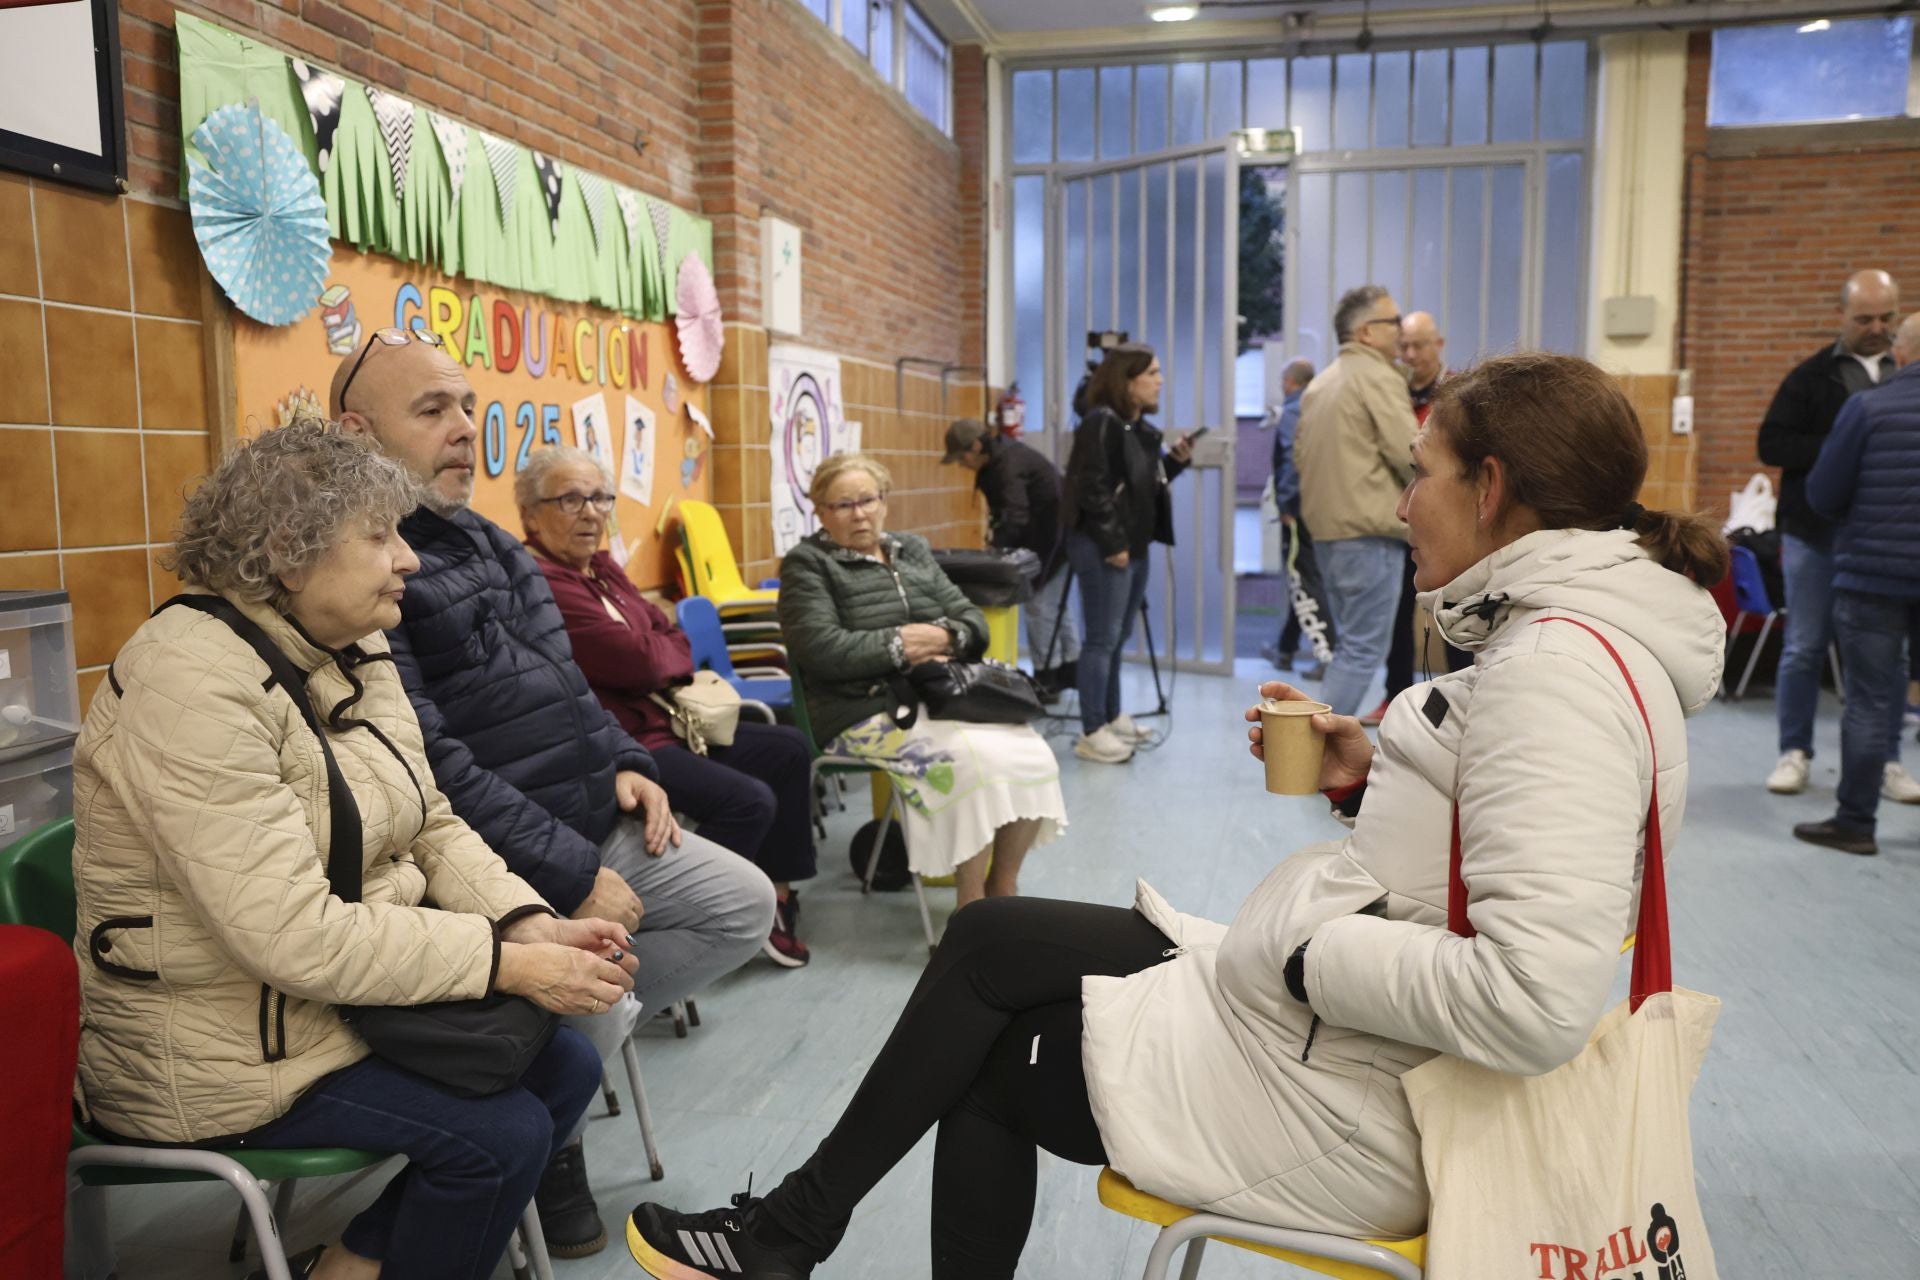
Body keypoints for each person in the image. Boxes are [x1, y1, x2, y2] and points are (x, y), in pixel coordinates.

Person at [620, 353, 1728, 1280]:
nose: (1399, 500)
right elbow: (1494, 816)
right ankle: (790, 1233)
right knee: (989, 936)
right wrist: (1366, 762)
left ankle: (785, 1234)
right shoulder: (1566, 638)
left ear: (1492, 487)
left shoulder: (1555, 672)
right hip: (1359, 1026)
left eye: (1421, 473)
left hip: (1386, 1094)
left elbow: (1533, 1001)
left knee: (992, 1057)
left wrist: (1302, 953)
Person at [72, 421, 631, 1280]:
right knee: (499, 1138)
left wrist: (523, 921)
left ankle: (352, 1260)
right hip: (214, 1055)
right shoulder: (186, 679)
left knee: (564, 1071)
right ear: (288, 556)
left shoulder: (350, 643)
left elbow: (432, 819)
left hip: (321, 1011)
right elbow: (290, 934)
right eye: (380, 535)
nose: (407, 559)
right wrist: (500, 964)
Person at [329, 330, 774, 1257]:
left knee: (742, 903)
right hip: (492, 865)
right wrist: (571, 875)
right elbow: (431, 766)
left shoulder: (492, 541)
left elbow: (574, 692)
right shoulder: (361, 568)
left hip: (586, 817)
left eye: (467, 408)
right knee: (597, 985)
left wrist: (633, 765)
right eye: (433, 410)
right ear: (357, 431)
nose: (463, 429)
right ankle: (556, 1133)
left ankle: (555, 1065)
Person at [518, 445, 818, 967]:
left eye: (599, 498)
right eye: (570, 500)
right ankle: (708, 913)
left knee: (789, 749)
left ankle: (779, 895)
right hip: (628, 743)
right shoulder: (540, 582)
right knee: (747, 800)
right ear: (530, 515)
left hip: (672, 722)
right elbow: (636, 661)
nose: (591, 512)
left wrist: (661, 650)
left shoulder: (603, 569)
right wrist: (660, 650)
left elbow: (672, 639)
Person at [775, 452, 1067, 907]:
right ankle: (969, 907)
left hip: (939, 698)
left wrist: (946, 633)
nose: (860, 513)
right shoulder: (807, 565)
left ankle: (1002, 887)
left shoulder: (910, 550)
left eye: (868, 500)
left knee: (1035, 755)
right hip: (860, 708)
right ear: (820, 512)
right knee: (972, 763)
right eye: (843, 505)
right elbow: (823, 651)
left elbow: (974, 622)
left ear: (884, 501)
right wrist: (899, 644)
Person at [1759, 270, 1920, 802]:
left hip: (1880, 546)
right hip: (1814, 534)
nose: (1876, 327)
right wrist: (1844, 446)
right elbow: (1773, 444)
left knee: (1889, 659)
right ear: (1841, 318)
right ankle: (1794, 751)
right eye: (1864, 318)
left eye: (1886, 318)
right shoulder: (1811, 377)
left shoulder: (1907, 375)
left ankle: (1887, 762)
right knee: (1803, 646)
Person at [1792, 311, 1920, 855]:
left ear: (1902, 353)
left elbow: (1822, 493)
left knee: (1868, 699)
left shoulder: (1867, 407)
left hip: (1873, 577)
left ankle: (1855, 823)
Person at [1059, 343, 1195, 763]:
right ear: (1127, 381)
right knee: (1100, 639)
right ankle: (1092, 730)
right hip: (1105, 544)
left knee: (1117, 637)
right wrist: (1111, 542)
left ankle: (1112, 715)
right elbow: (1092, 488)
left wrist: (1173, 463)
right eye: (1152, 373)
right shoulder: (1101, 422)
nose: (1160, 381)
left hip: (1131, 543)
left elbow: (1142, 486)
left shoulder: (1136, 427)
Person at [1295, 285, 1421, 718]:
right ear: (1367, 332)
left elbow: (1300, 458)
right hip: (1370, 535)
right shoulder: (1377, 376)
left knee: (1350, 647)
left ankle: (1308, 749)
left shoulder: (1322, 382)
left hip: (1330, 536)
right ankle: (1310, 754)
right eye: (1394, 322)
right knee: (1363, 652)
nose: (1401, 332)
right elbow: (1411, 453)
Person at [942, 416, 1081, 698]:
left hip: (1052, 537)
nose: (961, 464)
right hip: (1062, 534)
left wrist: (996, 557)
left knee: (1039, 606)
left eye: (962, 457)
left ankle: (1047, 680)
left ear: (977, 446)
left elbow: (1015, 516)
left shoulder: (1006, 465)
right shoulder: (1003, 457)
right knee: (1055, 606)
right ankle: (1069, 669)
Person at [1392, 310, 1473, 682]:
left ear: (1438, 345)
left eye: (1419, 345)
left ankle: (1464, 685)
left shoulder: (1459, 394)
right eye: (1404, 346)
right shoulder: (1392, 393)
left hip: (1449, 519)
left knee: (1457, 603)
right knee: (1399, 610)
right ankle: (1394, 690)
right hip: (1402, 517)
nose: (1410, 354)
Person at [1260, 357, 1334, 680]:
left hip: (1298, 509)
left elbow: (1291, 459)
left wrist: (1287, 505)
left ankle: (1326, 653)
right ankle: (1285, 648)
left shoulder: (1293, 410)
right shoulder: (1319, 408)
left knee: (1306, 580)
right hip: (1319, 506)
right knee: (1301, 578)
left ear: (1290, 382)